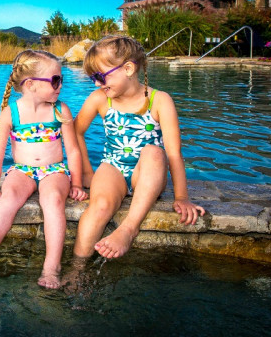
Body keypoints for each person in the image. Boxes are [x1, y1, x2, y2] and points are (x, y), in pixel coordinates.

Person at [72, 35, 205, 261]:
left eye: (100, 76)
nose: (96, 83)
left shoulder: (160, 100)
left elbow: (173, 153)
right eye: (93, 78)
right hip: (113, 167)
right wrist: (85, 171)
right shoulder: (100, 99)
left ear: (128, 68)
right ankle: (77, 268)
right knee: (99, 206)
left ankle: (128, 229)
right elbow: (76, 131)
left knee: (154, 152)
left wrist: (181, 196)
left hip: (147, 174)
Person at [0, 50, 87, 289]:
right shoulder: (11, 113)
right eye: (55, 80)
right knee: (8, 197)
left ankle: (52, 266)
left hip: (55, 170)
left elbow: (73, 150)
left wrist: (76, 184)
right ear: (30, 84)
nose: (60, 85)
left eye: (61, 79)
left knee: (52, 199)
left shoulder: (60, 110)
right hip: (22, 170)